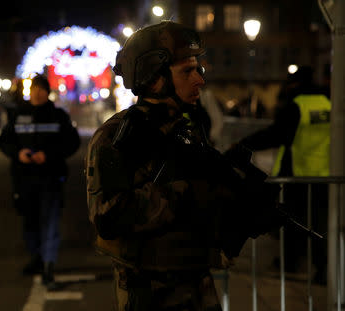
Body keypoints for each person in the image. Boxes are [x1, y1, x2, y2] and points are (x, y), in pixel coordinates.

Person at [86, 21, 282, 311]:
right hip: (150, 291)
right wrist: (188, 192)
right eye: (187, 71)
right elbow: (109, 216)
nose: (199, 80)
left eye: (198, 69)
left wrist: (240, 209)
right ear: (155, 77)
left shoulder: (184, 128)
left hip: (195, 281)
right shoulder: (117, 137)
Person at [234, 65, 330, 283]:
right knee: (319, 223)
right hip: (324, 174)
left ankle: (292, 263)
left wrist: (244, 145)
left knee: (293, 221)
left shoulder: (297, 105)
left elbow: (276, 134)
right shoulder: (328, 103)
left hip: (298, 172)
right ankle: (322, 267)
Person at [0, 74, 80, 289]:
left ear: (48, 92)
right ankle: (36, 258)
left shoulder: (58, 116)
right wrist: (19, 154)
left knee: (50, 222)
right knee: (30, 221)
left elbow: (72, 142)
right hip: (24, 179)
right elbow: (4, 141)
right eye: (35, 88)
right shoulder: (18, 114)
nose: (38, 92)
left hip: (50, 177)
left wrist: (49, 155)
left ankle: (48, 266)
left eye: (42, 89)